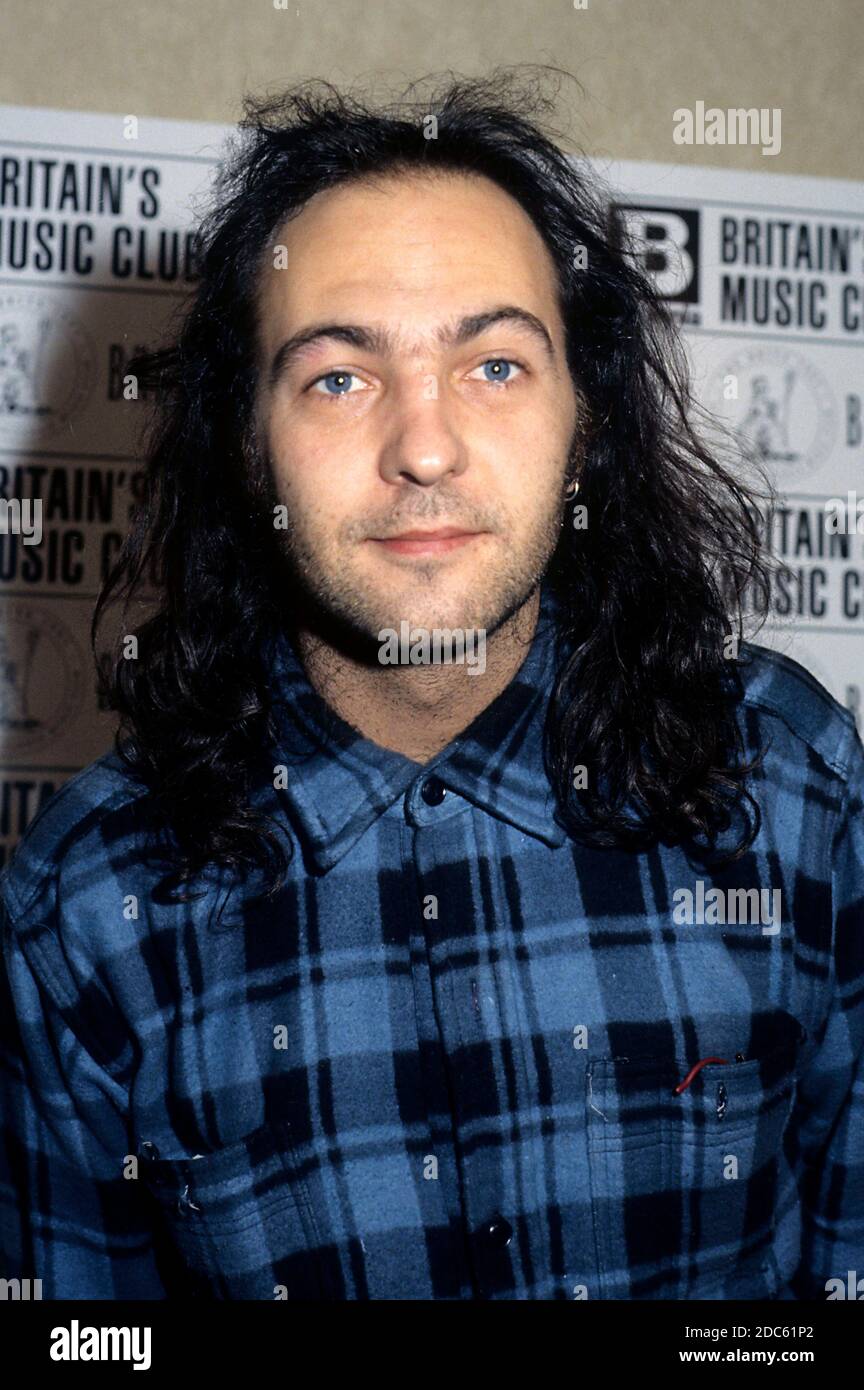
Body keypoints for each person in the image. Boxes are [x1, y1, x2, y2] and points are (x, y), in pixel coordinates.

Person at [1, 69, 861, 1301]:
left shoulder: (793, 786)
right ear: (246, 446)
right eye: (339, 378)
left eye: (496, 365)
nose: (424, 445)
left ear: (590, 418)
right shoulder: (82, 910)